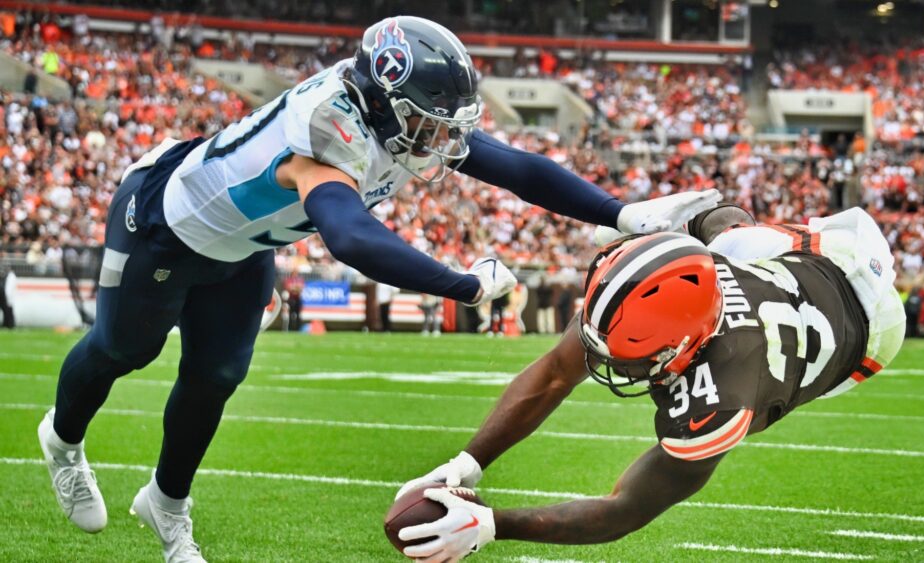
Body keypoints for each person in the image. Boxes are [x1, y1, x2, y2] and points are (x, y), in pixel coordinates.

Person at [36, 15, 719, 563]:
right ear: (385, 103)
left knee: (216, 373)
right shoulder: (325, 130)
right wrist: (462, 285)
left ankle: (167, 501)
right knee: (122, 350)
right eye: (427, 122)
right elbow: (351, 236)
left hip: (246, 246)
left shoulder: (390, 115)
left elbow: (513, 166)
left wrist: (625, 213)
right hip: (166, 224)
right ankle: (63, 439)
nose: (440, 139)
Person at [395, 205, 906, 562]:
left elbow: (626, 509)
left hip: (870, 330)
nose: (606, 362)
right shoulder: (663, 286)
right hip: (816, 255)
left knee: (727, 242)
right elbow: (555, 372)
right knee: (723, 228)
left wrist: (493, 525)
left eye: (630, 355)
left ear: (684, 347)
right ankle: (683, 215)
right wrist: (466, 463)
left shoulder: (724, 396)